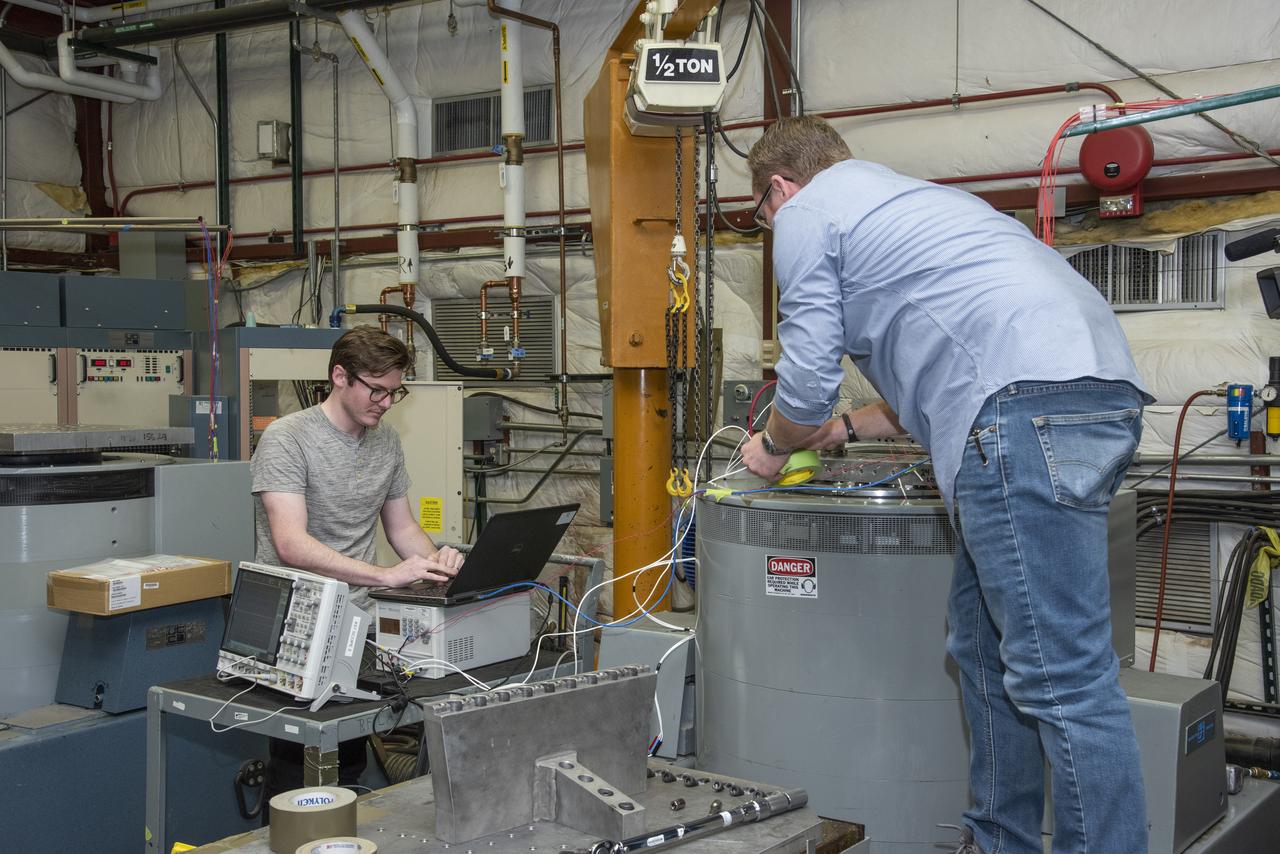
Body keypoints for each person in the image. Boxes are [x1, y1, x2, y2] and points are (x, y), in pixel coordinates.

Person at [739, 116, 1151, 854]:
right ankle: (1000, 842)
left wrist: (774, 446)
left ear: (779, 187)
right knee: (983, 648)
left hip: (1017, 416)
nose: (769, 227)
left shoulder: (807, 212)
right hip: (1090, 394)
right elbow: (930, 370)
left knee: (1065, 681)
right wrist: (838, 432)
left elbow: (802, 385)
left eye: (761, 215)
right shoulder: (914, 204)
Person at [251, 325, 464, 803]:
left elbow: (402, 528)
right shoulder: (288, 439)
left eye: (395, 392)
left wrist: (436, 564)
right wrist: (387, 576)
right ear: (339, 377)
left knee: (348, 760)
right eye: (377, 390)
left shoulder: (384, 441)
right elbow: (291, 544)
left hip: (356, 622)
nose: (386, 404)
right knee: (295, 774)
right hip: (294, 627)